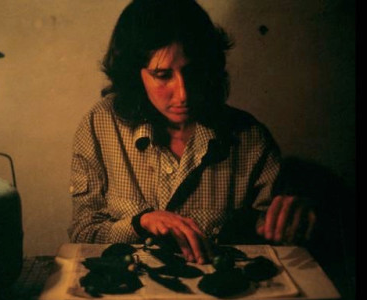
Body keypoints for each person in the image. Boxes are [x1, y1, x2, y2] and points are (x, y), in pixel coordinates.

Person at [67, 0, 315, 264]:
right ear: (134, 75)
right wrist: (141, 223)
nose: (183, 93)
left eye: (192, 71)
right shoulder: (100, 126)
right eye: (162, 75)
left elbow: (276, 242)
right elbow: (83, 234)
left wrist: (291, 223)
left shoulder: (250, 139)